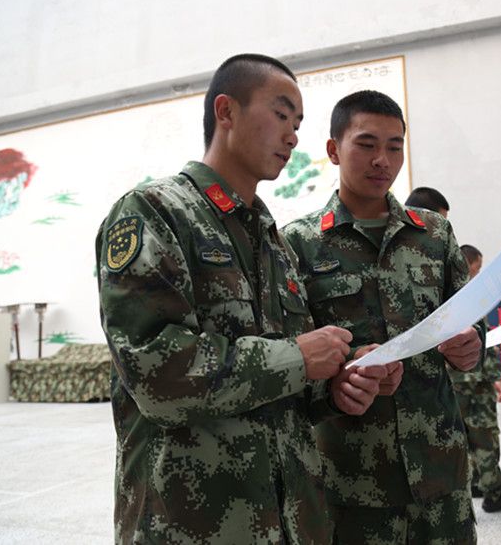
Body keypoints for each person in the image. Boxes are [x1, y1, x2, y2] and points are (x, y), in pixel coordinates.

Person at [96, 54, 400, 545]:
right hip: (192, 526)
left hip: (291, 522)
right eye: (281, 115)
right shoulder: (157, 212)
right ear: (226, 111)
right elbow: (156, 372)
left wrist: (340, 383)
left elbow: (288, 384)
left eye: (297, 124)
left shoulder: (273, 242)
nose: (292, 136)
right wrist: (299, 357)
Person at [282, 90, 483, 544]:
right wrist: (340, 380)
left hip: (441, 472)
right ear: (334, 149)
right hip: (352, 483)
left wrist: (472, 344)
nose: (382, 160)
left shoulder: (434, 234)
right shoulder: (298, 244)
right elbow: (290, 354)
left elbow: (469, 317)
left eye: (394, 147)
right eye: (367, 144)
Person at [453, 244, 501, 513]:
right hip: (476, 380)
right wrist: (497, 377)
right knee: (484, 435)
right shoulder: (470, 296)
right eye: (477, 268)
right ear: (467, 263)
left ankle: (476, 482)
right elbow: (482, 341)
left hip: (455, 381)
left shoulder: (444, 293)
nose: (479, 273)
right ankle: (495, 494)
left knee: (466, 433)